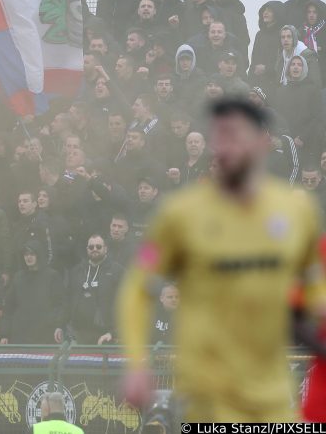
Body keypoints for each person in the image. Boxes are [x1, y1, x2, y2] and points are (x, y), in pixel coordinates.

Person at [118, 97, 326, 421]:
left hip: (273, 400)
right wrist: (136, 362)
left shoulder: (298, 212)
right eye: (217, 136)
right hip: (209, 403)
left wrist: (317, 304)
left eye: (233, 136)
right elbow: (138, 288)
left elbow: (314, 285)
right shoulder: (179, 215)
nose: (221, 147)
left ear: (262, 142)